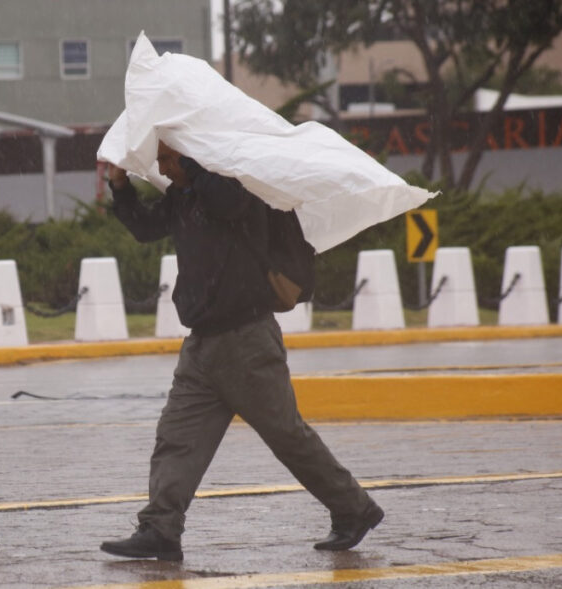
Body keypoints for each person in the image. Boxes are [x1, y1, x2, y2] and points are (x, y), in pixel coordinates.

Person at [99, 142, 383, 561]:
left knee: (288, 437)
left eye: (166, 158)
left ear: (189, 156)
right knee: (177, 438)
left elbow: (229, 205)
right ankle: (160, 528)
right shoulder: (183, 195)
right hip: (201, 344)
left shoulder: (235, 186)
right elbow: (144, 228)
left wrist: (197, 165)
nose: (160, 167)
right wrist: (119, 185)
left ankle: (353, 509)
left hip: (246, 340)